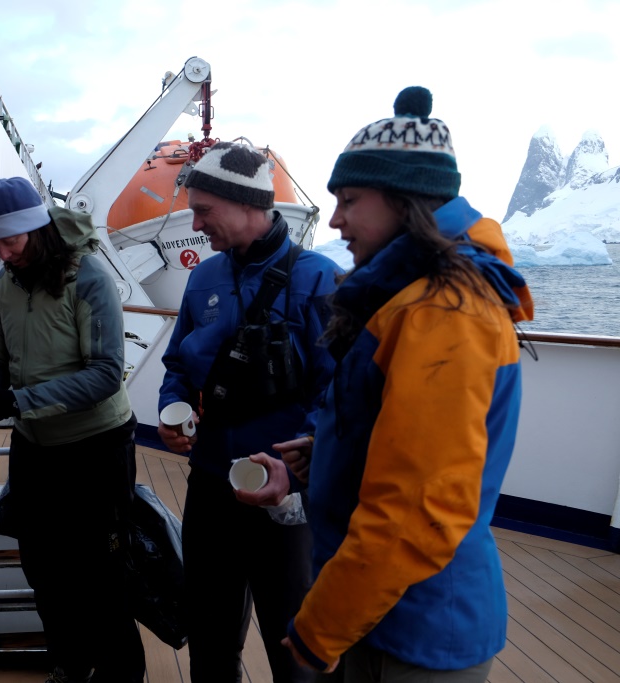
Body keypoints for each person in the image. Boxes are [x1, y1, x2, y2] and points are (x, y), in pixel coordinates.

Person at [250, 86, 534, 681]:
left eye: (350, 200)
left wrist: (320, 628)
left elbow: (418, 509)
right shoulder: (415, 297)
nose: (335, 220)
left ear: (406, 201)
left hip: (416, 624)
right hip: (385, 607)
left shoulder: (444, 312)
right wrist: (328, 454)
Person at [157, 142, 343, 683]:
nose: (196, 224)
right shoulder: (204, 278)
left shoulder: (319, 280)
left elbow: (338, 391)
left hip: (284, 492)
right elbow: (178, 362)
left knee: (293, 642)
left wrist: (296, 464)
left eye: (204, 210)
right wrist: (170, 406)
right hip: (211, 482)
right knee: (209, 634)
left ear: (247, 204)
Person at [0, 177, 145, 683]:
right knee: (43, 569)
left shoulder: (88, 277)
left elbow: (105, 374)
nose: (4, 254)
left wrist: (16, 402)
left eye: (11, 242)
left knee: (100, 573)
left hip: (96, 448)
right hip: (35, 448)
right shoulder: (5, 284)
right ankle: (70, 665)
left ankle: (120, 677)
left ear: (38, 230)